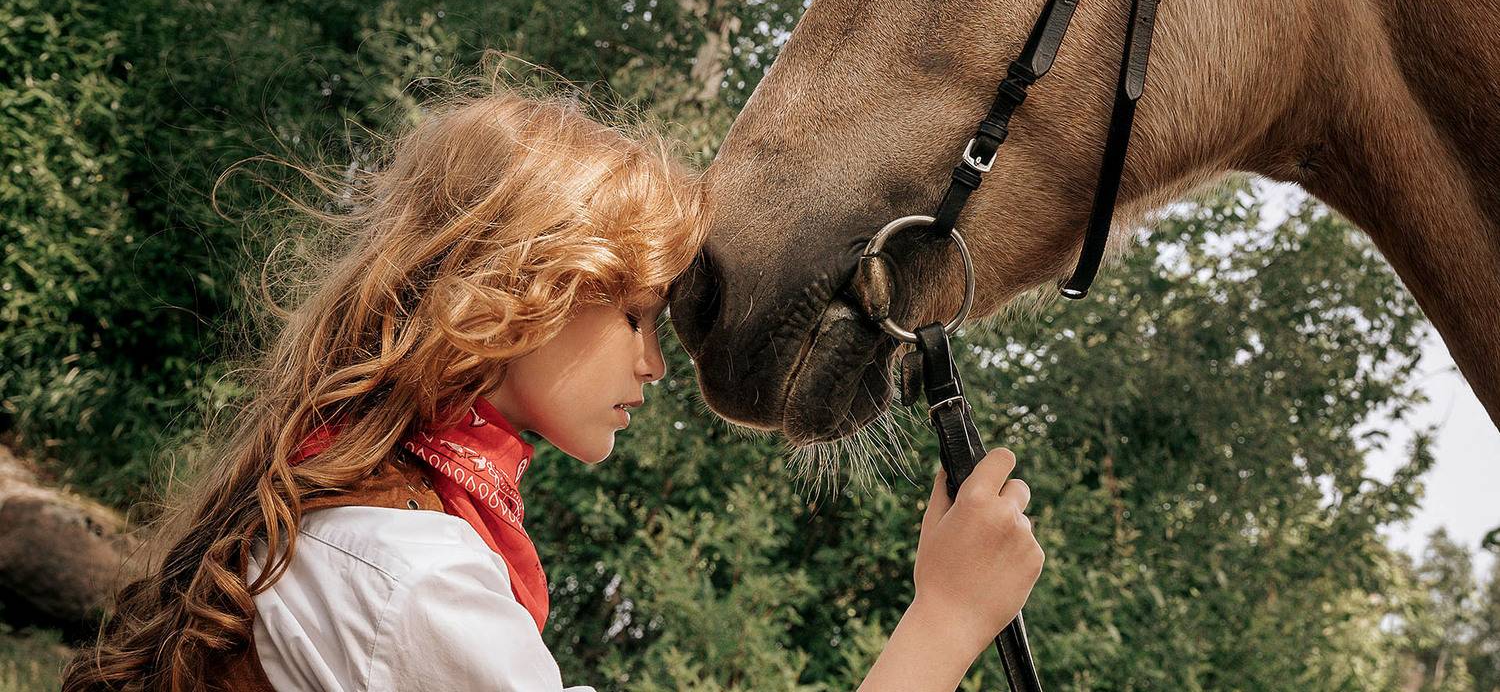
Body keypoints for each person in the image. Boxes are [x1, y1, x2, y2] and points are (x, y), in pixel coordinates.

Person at [62, 87, 1043, 692]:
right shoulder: (409, 579)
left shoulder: (347, 516)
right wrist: (948, 618)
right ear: (516, 296)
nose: (656, 365)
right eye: (633, 316)